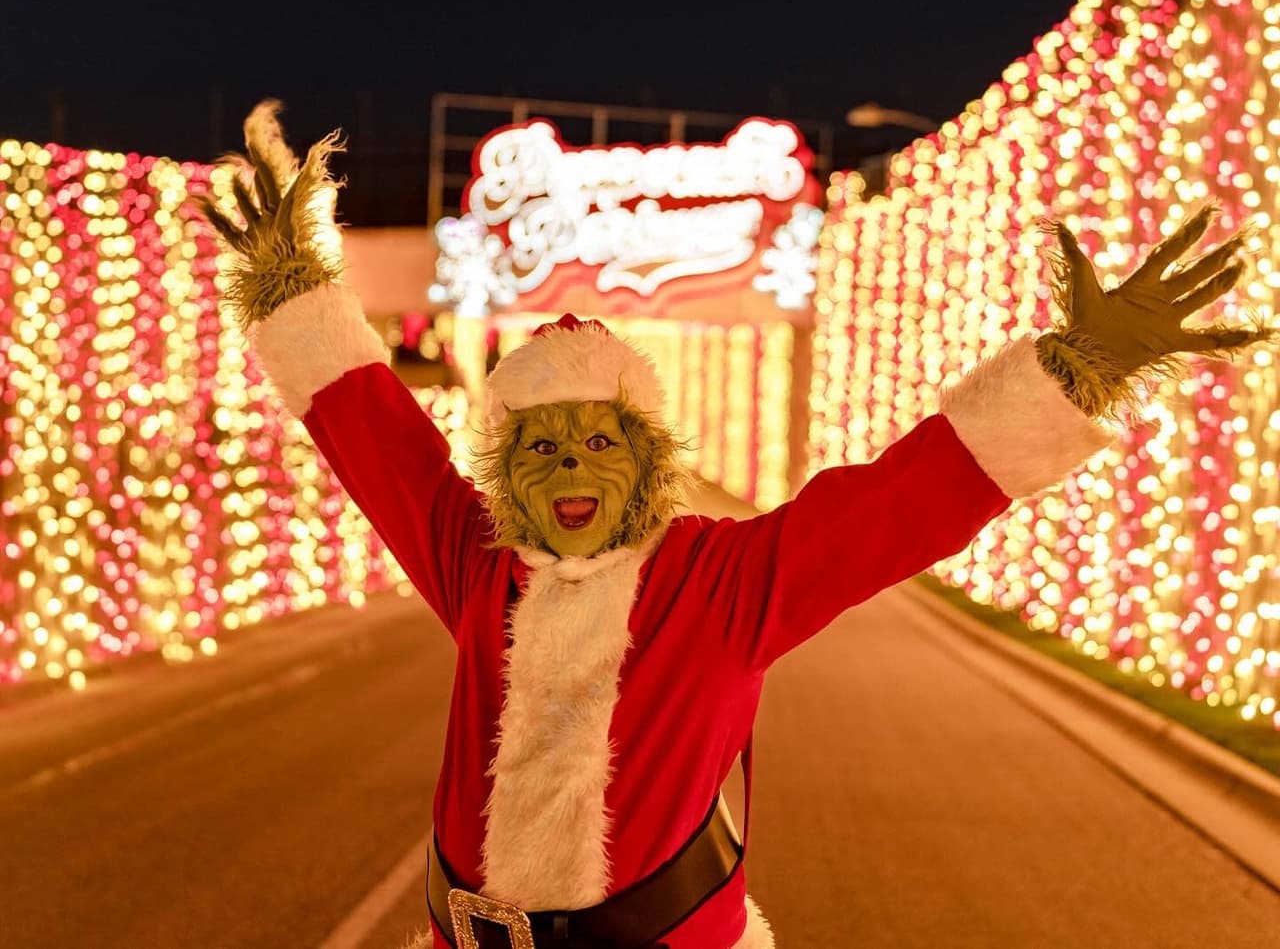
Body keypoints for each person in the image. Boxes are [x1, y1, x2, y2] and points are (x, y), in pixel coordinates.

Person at [198, 101, 1271, 949]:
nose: (570, 466)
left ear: (647, 462)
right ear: (506, 475)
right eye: (542, 445)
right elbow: (382, 446)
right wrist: (292, 288)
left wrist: (1071, 373)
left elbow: (897, 504)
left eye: (599, 439)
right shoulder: (478, 563)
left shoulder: (723, 578)